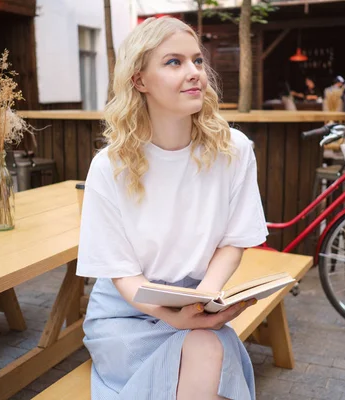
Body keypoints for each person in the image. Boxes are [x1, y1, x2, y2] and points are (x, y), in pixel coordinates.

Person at [77, 17, 268, 399]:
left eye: (197, 60)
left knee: (205, 347)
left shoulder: (234, 150)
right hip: (127, 315)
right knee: (205, 357)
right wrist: (172, 316)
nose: (194, 72)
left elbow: (234, 241)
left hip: (196, 306)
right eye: (174, 62)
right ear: (139, 80)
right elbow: (121, 273)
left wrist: (206, 298)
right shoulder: (109, 166)